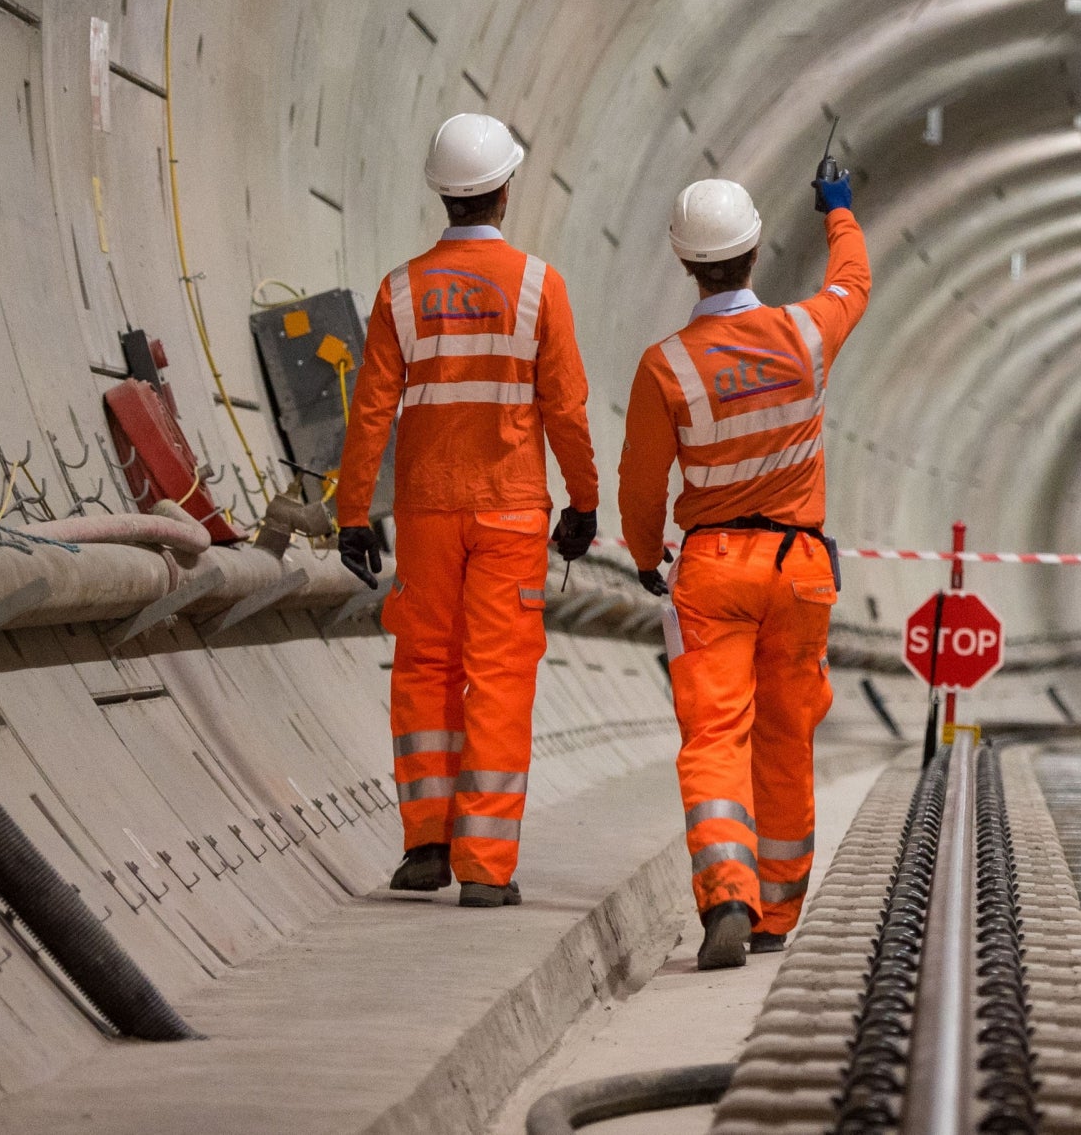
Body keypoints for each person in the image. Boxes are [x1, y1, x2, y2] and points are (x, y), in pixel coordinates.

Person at [335, 113, 601, 907]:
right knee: (498, 678)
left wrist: (353, 512)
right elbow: (568, 408)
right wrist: (584, 501)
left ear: (442, 195)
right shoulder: (537, 285)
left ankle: (425, 845)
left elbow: (371, 411)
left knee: (424, 670)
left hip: (424, 511)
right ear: (505, 189)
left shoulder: (400, 289)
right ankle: (486, 865)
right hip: (512, 511)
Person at [617, 163, 868, 969]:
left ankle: (728, 889)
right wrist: (839, 211)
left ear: (686, 263)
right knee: (787, 735)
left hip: (713, 568)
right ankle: (778, 908)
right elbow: (854, 282)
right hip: (799, 569)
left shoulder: (667, 366)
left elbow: (641, 479)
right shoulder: (805, 332)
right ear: (755, 249)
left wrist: (643, 550)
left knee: (714, 735)